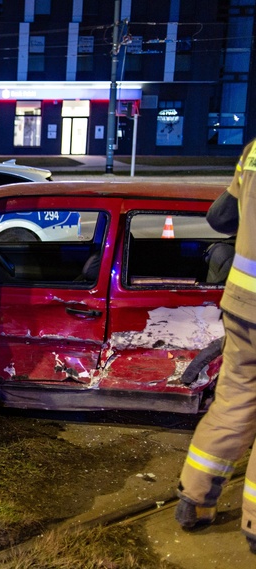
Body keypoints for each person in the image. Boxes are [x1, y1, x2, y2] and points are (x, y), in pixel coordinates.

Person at [175, 138, 256, 554]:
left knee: (234, 400)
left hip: (243, 306)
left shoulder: (254, 150)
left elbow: (220, 216)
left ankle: (194, 501)